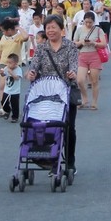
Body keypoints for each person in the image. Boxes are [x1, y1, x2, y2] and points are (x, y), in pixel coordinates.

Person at [25, 14, 81, 172]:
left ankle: (69, 162)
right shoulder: (41, 48)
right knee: (45, 127)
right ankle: (50, 159)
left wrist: (73, 73)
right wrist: (31, 73)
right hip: (45, 95)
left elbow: (74, 66)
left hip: (65, 93)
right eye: (47, 28)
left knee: (68, 128)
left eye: (53, 27)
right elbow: (34, 66)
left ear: (61, 29)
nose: (50, 30)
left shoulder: (70, 46)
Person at [74, 10, 106, 109]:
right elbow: (74, 43)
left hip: (94, 56)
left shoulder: (98, 30)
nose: (88, 24)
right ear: (83, 21)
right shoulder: (79, 30)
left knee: (94, 81)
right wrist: (81, 42)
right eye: (86, 22)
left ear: (94, 22)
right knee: (80, 80)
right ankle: (84, 98)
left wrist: (93, 43)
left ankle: (94, 102)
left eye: (90, 22)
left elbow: (104, 44)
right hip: (82, 56)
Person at [0, 53, 22, 122]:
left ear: (15, 63)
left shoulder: (18, 69)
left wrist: (11, 72)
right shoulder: (6, 68)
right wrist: (2, 73)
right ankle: (8, 110)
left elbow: (17, 78)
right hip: (7, 90)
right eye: (7, 63)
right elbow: (3, 75)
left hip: (15, 91)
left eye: (10, 63)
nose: (8, 65)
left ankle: (15, 117)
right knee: (3, 102)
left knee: (15, 105)